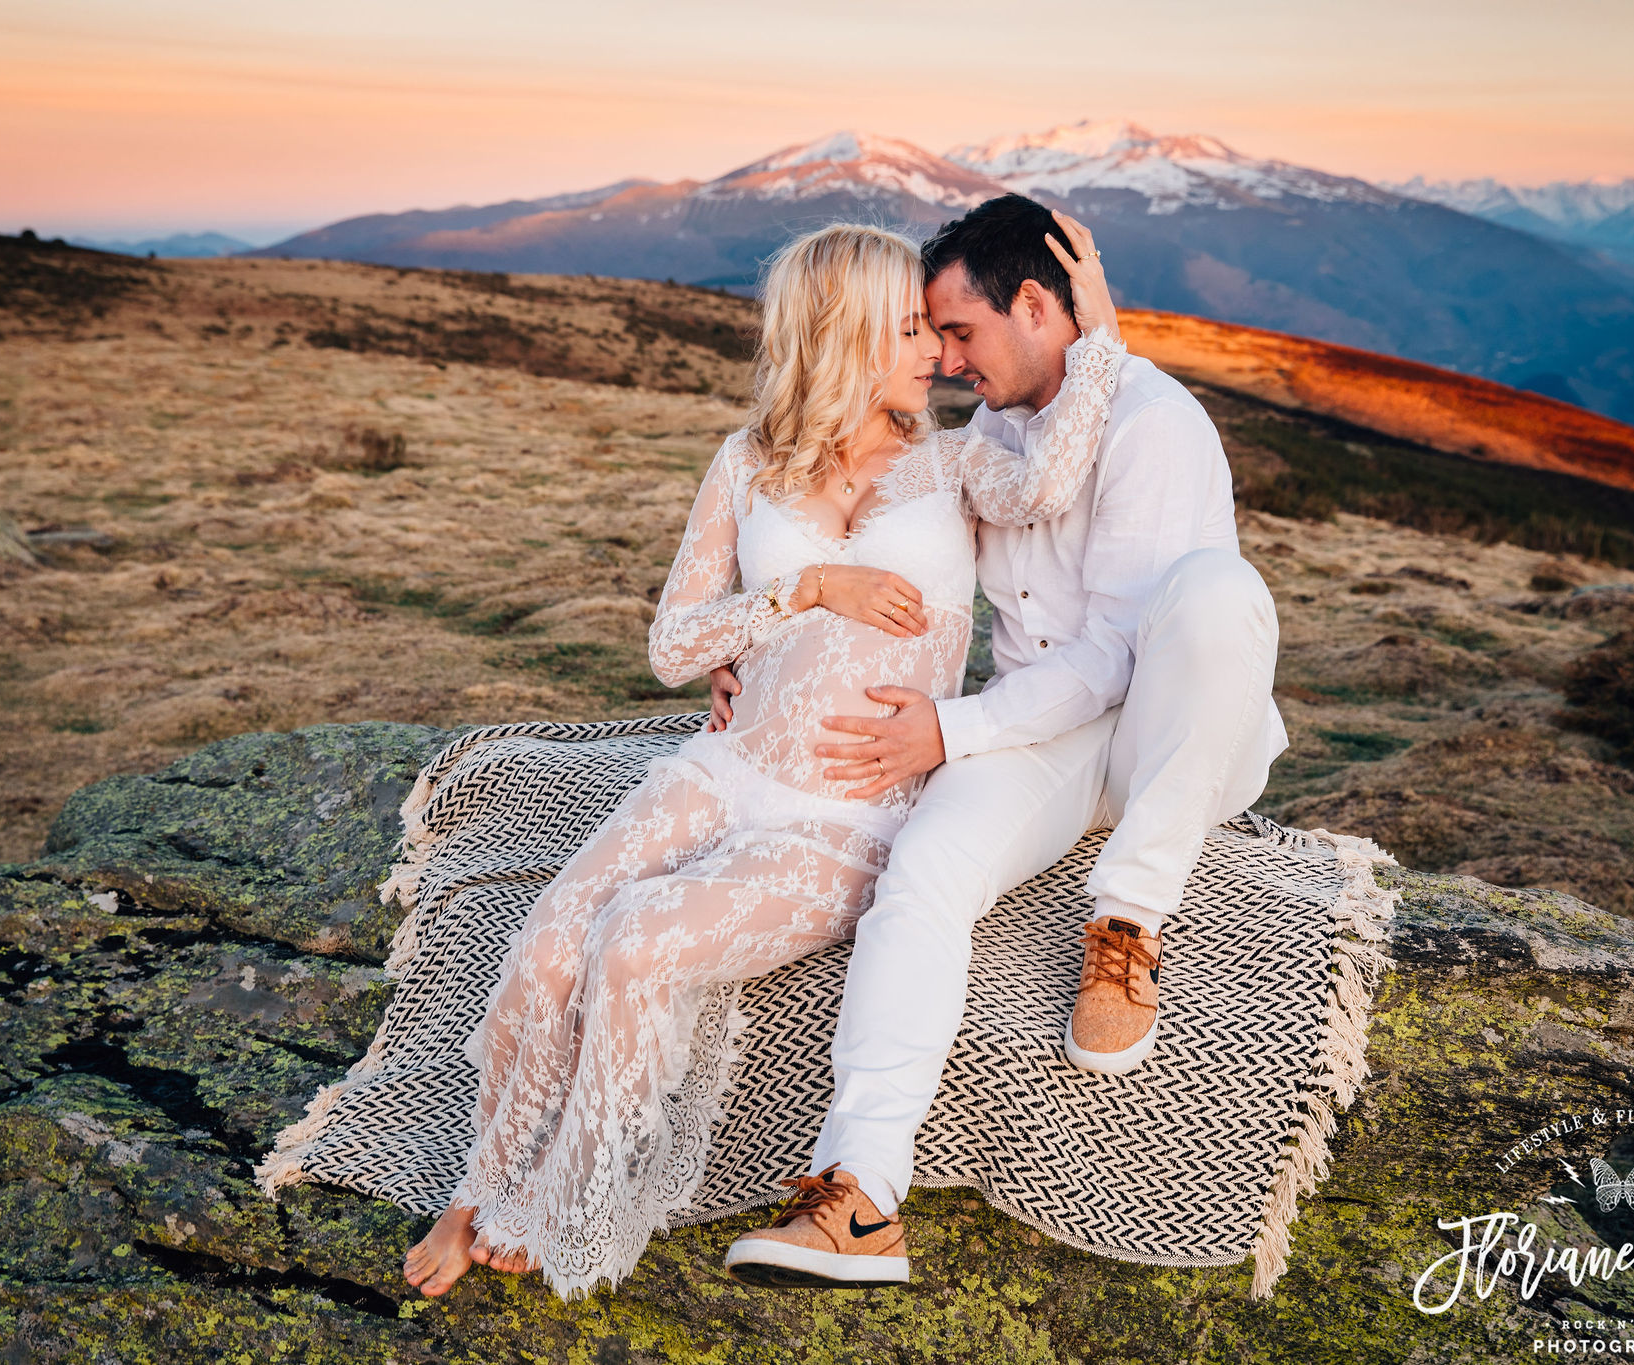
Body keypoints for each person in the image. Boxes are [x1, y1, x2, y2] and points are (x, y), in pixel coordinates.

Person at [401, 215, 1130, 1299]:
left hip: (847, 807)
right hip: (725, 764)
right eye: (906, 330)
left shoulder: (955, 464)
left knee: (636, 944)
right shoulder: (745, 464)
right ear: (835, 337)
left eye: (935, 330)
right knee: (552, 939)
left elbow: (1050, 480)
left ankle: (567, 1199)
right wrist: (798, 593)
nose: (935, 350)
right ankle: (483, 1182)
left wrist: (1098, 326)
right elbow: (671, 644)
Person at [722, 194, 1289, 1289]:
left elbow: (1119, 659)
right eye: (930, 337)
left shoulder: (1153, 424)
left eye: (960, 332)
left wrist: (952, 730)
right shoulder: (989, 436)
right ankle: (858, 1197)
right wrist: (763, 633)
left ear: (1036, 307)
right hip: (1042, 729)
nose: (942, 358)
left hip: (1168, 732)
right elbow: (869, 538)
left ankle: (1125, 923)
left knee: (1220, 593)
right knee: (921, 872)